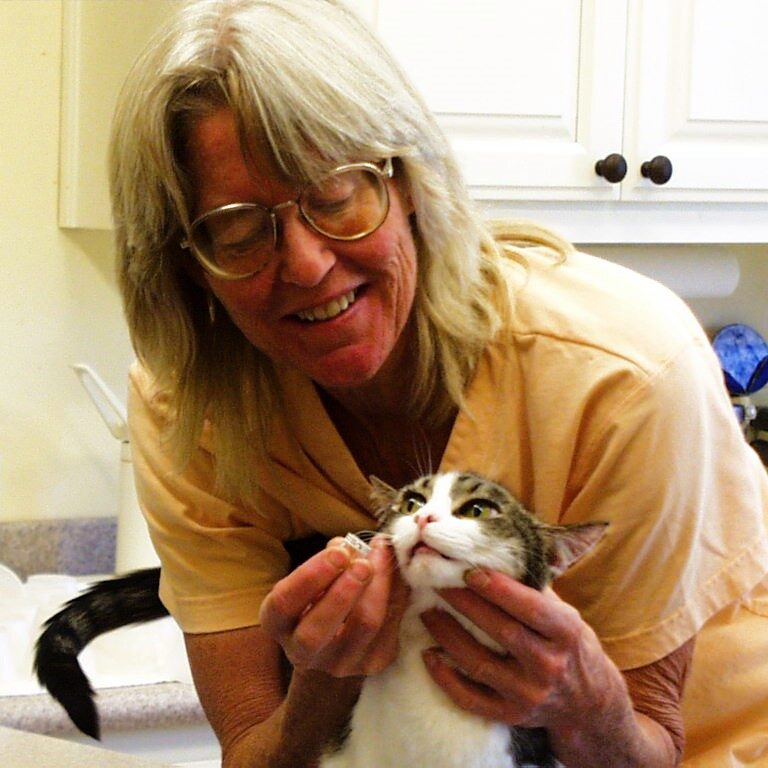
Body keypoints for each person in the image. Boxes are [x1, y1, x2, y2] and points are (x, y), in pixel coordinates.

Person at [110, 1, 768, 766]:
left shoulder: (626, 374)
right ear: (189, 265)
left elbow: (654, 742)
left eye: (337, 194)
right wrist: (321, 691)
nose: (308, 266)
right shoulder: (191, 410)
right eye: (238, 229)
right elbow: (256, 752)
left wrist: (583, 701)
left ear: (409, 181)